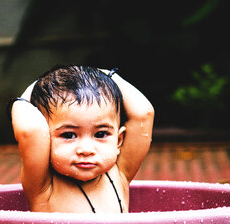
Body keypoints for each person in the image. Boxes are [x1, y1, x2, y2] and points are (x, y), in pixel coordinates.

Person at [9, 65, 154, 213]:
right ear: (46, 141)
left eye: (100, 134)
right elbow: (32, 130)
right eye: (68, 135)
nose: (86, 150)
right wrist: (28, 94)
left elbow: (144, 114)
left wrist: (106, 75)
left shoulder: (119, 174)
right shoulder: (43, 186)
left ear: (118, 141)